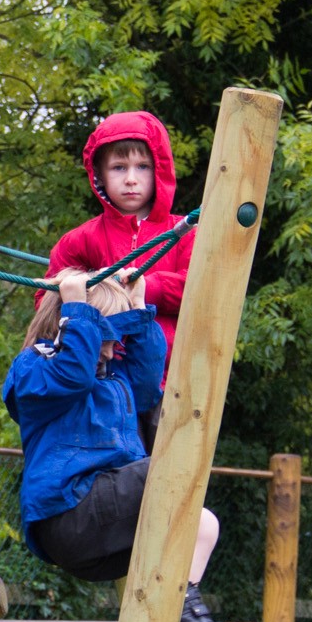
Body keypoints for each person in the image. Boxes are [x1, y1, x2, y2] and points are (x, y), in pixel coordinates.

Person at [2, 267, 234, 622]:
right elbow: (72, 373)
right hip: (69, 513)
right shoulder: (34, 369)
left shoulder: (116, 382)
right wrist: (75, 305)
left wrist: (140, 308)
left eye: (113, 338)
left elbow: (147, 379)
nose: (110, 348)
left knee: (204, 524)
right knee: (165, 467)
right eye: (104, 335)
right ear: (69, 325)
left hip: (105, 532)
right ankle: (182, 606)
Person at [40, 110, 195, 448]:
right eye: (119, 168)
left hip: (173, 382)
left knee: (172, 481)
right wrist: (95, 296)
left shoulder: (184, 232)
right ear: (99, 176)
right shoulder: (81, 240)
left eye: (142, 167)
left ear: (160, 172)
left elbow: (201, 290)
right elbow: (48, 302)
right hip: (106, 382)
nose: (130, 179)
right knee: (121, 478)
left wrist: (146, 286)